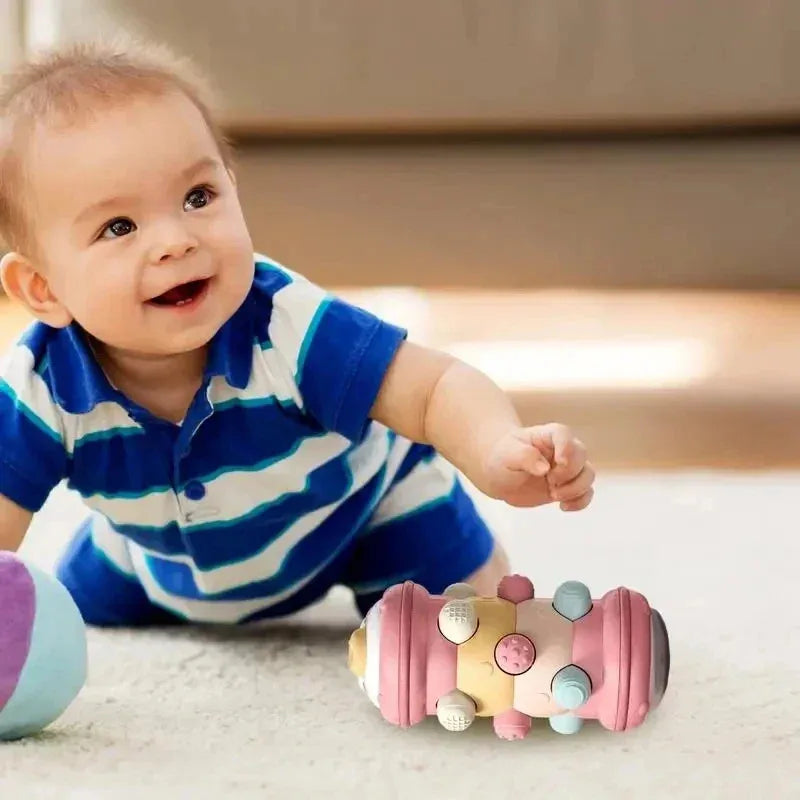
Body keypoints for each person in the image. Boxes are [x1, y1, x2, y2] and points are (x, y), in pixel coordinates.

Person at [0, 41, 595, 626]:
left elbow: (433, 387)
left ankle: (472, 569)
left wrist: (493, 448)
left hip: (361, 516)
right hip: (154, 560)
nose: (176, 240)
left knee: (460, 619)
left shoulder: (285, 323)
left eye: (197, 197)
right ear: (42, 289)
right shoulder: (39, 387)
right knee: (66, 612)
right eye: (120, 226)